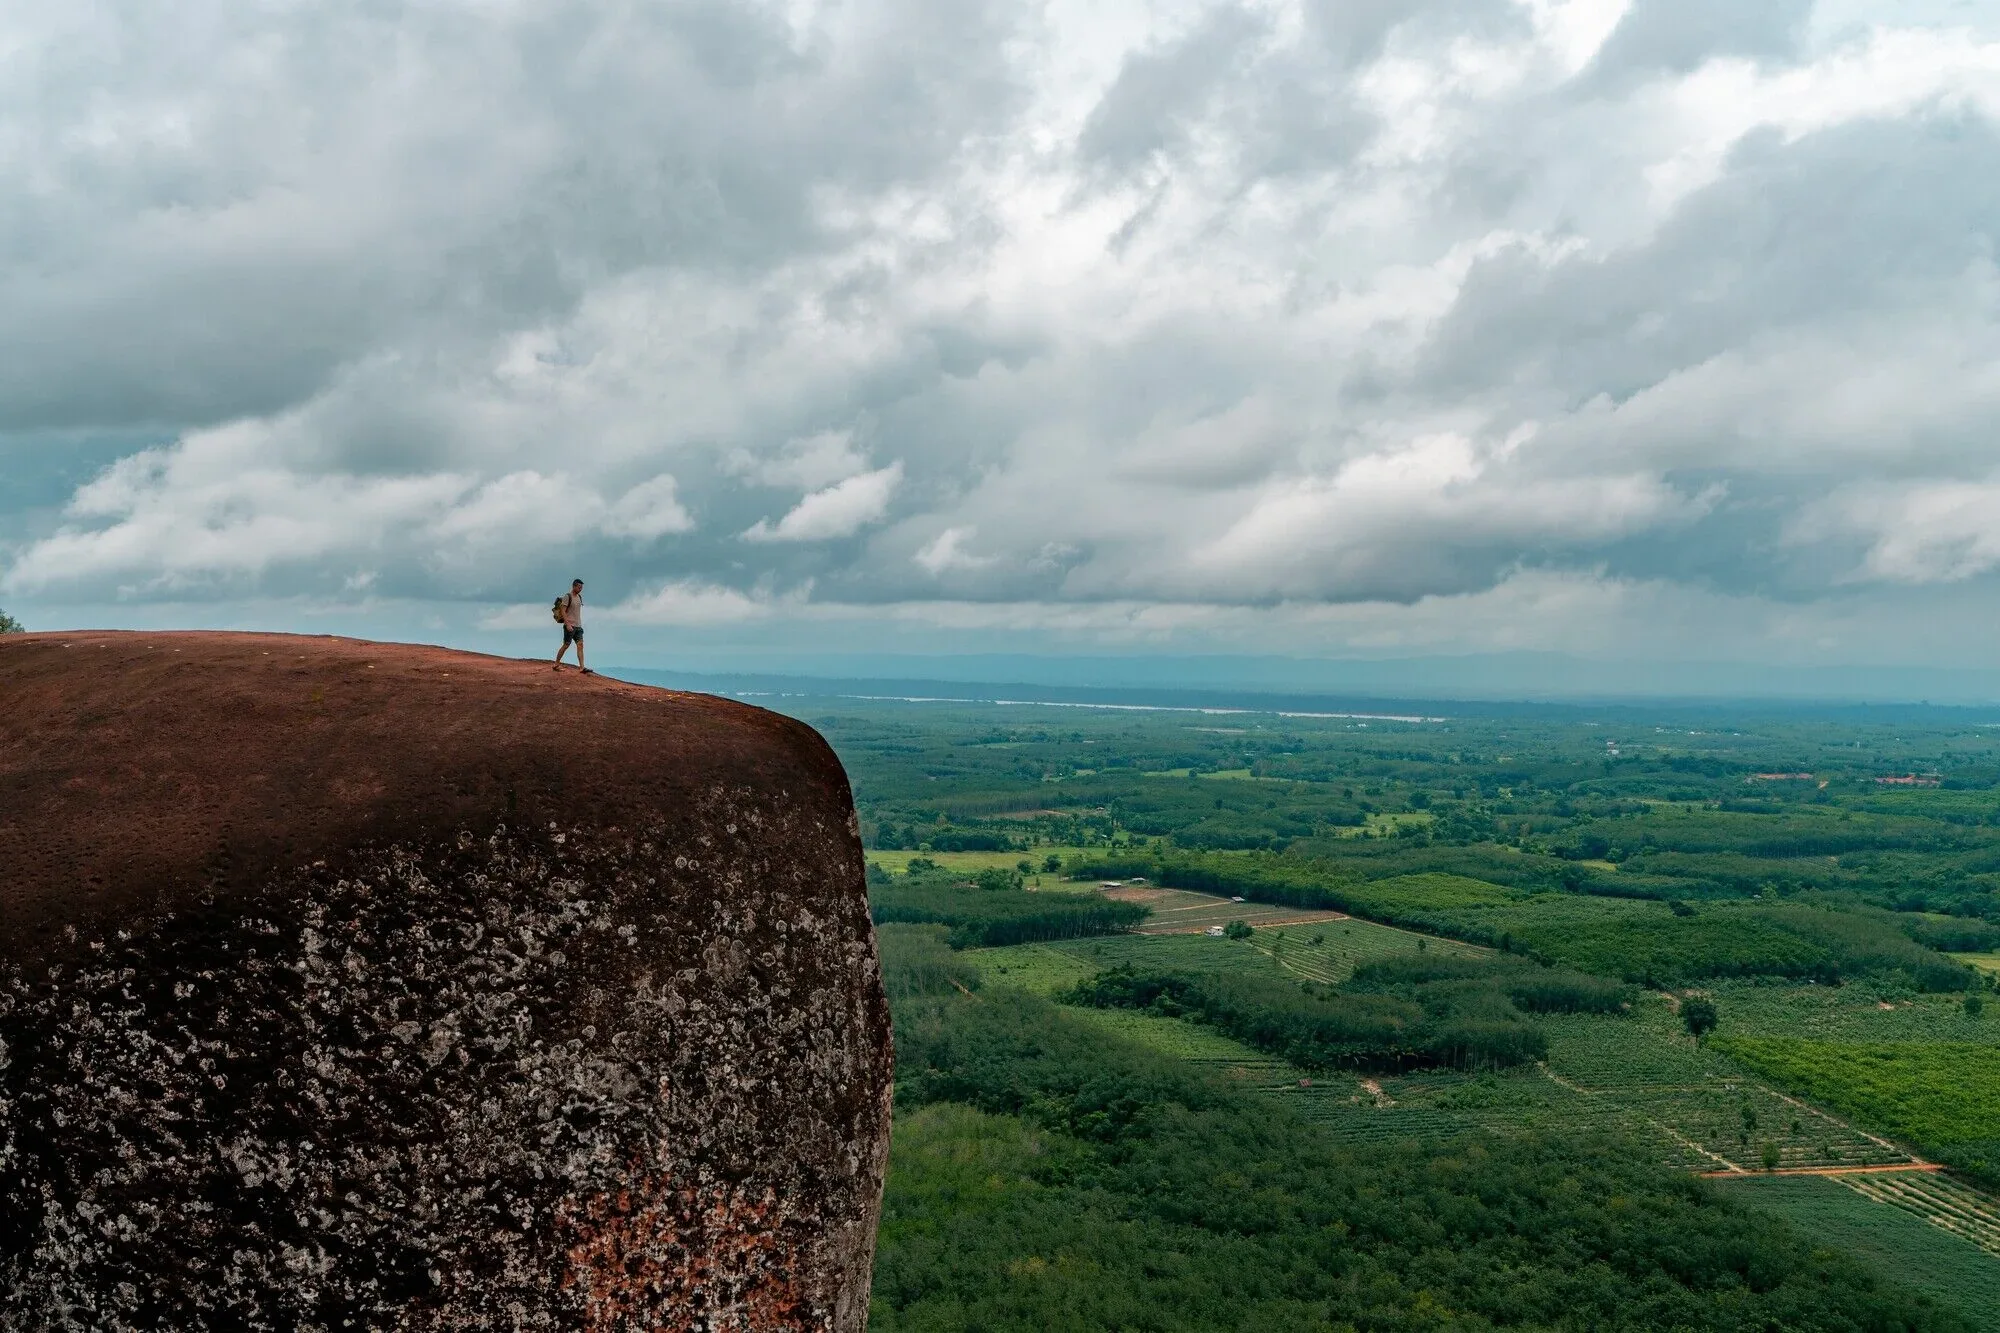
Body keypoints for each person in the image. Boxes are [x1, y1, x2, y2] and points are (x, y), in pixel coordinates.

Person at [554, 578, 591, 675]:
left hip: (578, 626)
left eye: (581, 587)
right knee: (566, 645)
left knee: (580, 645)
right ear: (574, 586)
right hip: (569, 626)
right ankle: (556, 664)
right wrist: (567, 624)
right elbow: (563, 610)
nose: (580, 589)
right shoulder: (567, 596)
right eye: (579, 587)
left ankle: (582, 667)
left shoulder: (579, 597)